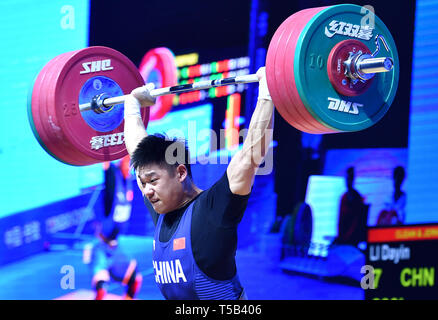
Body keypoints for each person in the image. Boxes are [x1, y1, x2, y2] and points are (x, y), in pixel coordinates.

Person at [122, 67, 274, 300]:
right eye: (143, 183)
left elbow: (250, 157)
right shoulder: (161, 207)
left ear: (180, 173)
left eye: (152, 181)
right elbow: (136, 151)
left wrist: (267, 93)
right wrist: (132, 106)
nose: (147, 191)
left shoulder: (213, 209)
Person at [83, 156, 142, 300]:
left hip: (116, 248)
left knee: (135, 279)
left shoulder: (127, 182)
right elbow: (107, 163)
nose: (130, 168)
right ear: (121, 162)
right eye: (128, 163)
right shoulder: (113, 179)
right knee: (102, 287)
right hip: (101, 247)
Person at [336, 167, 368, 247]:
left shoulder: (358, 198)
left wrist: (348, 238)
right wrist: (340, 237)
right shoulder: (343, 197)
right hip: (342, 239)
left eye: (350, 178)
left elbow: (357, 222)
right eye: (347, 179)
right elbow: (340, 219)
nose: (348, 181)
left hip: (352, 240)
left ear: (353, 179)